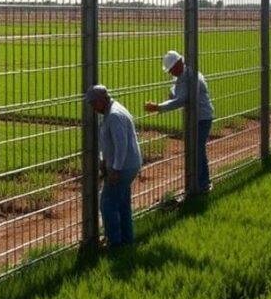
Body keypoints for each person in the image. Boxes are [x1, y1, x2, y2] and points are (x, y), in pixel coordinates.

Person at [145, 50, 215, 192]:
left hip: (202, 118)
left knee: (197, 149)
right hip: (197, 117)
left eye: (171, 69)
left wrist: (159, 107)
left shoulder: (189, 77)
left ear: (178, 64)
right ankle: (200, 182)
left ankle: (202, 184)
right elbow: (177, 94)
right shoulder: (184, 75)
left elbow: (180, 100)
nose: (170, 73)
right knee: (196, 149)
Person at [85, 84, 142, 248]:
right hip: (128, 164)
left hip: (123, 167)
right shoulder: (112, 111)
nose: (92, 107)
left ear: (103, 99)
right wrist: (104, 160)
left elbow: (121, 145)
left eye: (93, 103)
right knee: (122, 203)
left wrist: (116, 169)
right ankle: (127, 240)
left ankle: (114, 243)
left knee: (107, 204)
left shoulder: (114, 115)